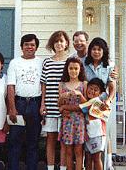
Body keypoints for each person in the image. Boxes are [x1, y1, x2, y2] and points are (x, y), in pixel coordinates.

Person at [7, 34, 43, 170]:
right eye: (26, 44)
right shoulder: (15, 63)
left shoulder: (41, 62)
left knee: (33, 142)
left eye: (32, 45)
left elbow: (44, 85)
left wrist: (42, 106)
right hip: (19, 104)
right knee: (14, 141)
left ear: (36, 47)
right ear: (21, 47)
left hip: (35, 104)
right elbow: (10, 86)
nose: (29, 47)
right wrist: (12, 107)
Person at [59, 78, 109, 170]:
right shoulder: (89, 100)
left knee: (96, 158)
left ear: (100, 92)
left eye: (96, 89)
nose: (92, 91)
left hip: (98, 134)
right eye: (90, 88)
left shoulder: (97, 101)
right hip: (88, 134)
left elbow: (80, 107)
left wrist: (64, 107)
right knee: (88, 158)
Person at [40, 30, 71, 170]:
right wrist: (42, 104)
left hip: (65, 107)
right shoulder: (47, 62)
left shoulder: (70, 61)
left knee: (64, 140)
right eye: (56, 41)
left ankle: (63, 168)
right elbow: (43, 84)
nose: (59, 44)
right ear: (52, 44)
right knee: (50, 139)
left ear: (66, 44)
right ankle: (51, 167)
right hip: (50, 106)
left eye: (61, 41)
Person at [84, 37, 116, 170]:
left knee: (102, 136)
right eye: (94, 49)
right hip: (88, 104)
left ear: (104, 51)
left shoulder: (109, 66)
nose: (96, 52)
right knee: (89, 135)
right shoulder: (84, 65)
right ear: (90, 50)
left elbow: (113, 87)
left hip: (102, 105)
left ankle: (108, 165)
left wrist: (108, 100)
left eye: (99, 49)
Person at [58, 57, 87, 170]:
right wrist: (62, 97)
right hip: (67, 121)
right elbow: (59, 106)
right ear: (67, 69)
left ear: (80, 69)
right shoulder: (62, 85)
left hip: (79, 122)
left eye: (76, 68)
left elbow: (86, 105)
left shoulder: (83, 84)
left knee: (79, 151)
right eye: (71, 68)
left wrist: (80, 95)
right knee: (68, 152)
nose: (73, 71)